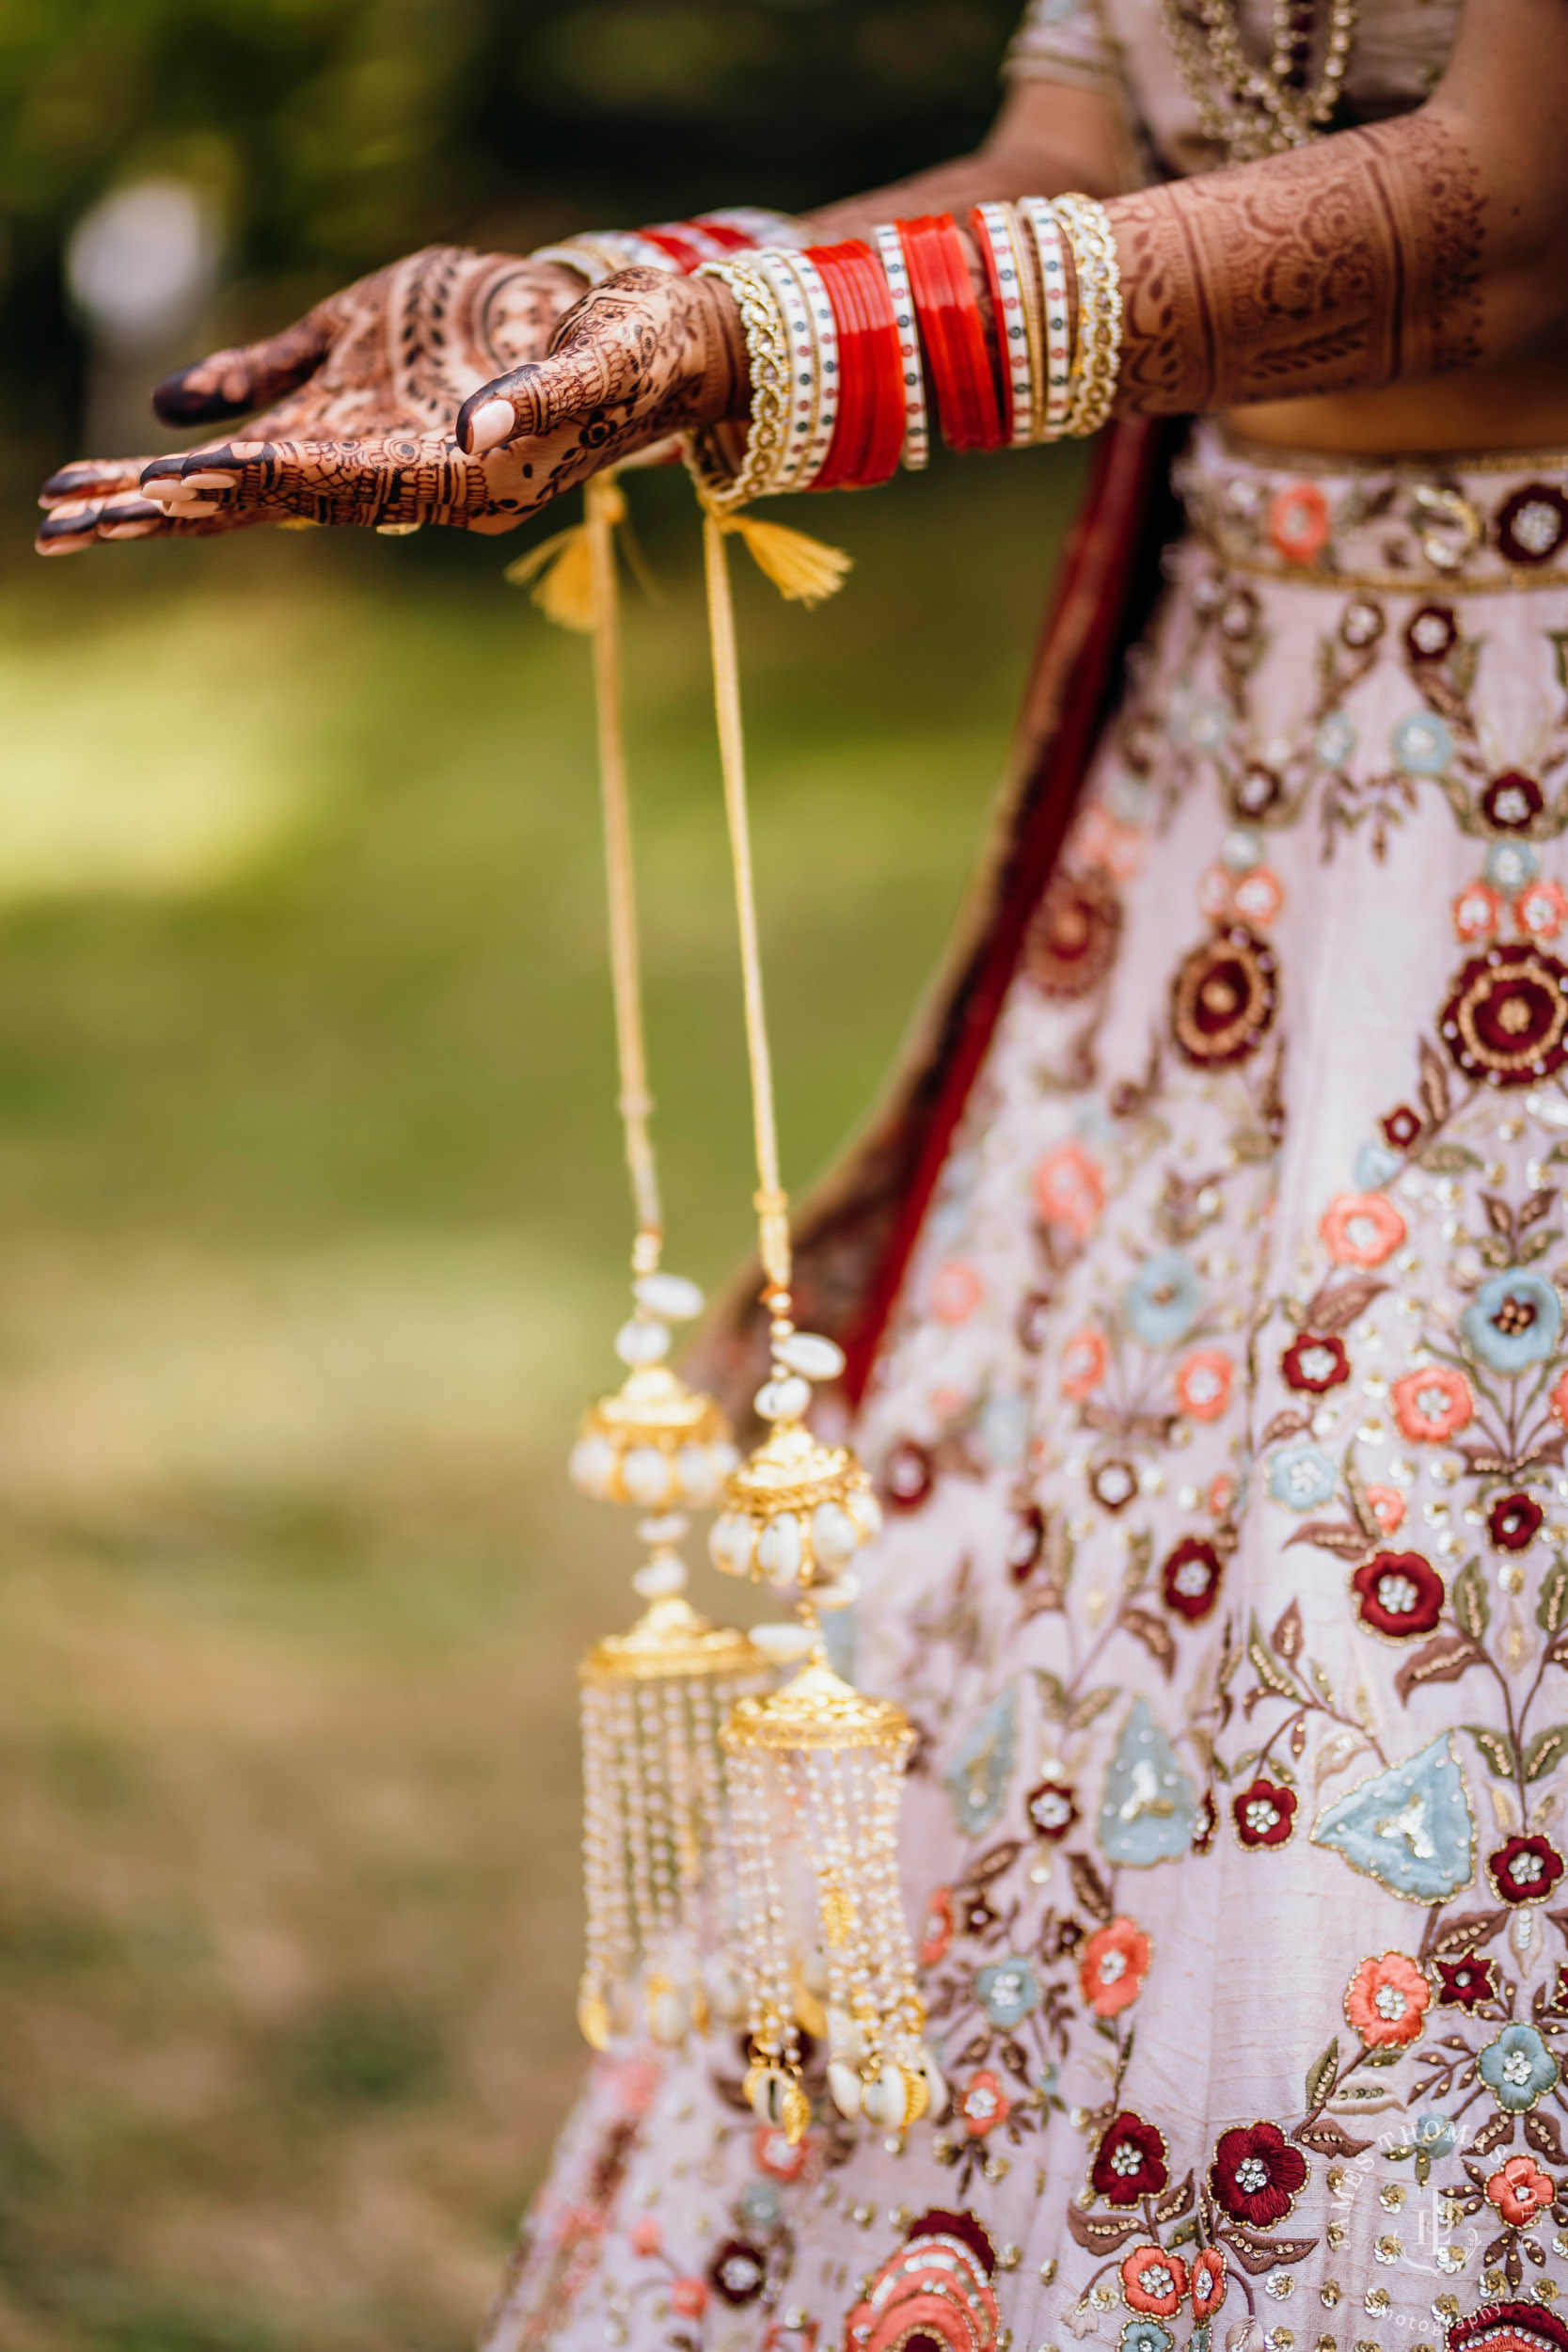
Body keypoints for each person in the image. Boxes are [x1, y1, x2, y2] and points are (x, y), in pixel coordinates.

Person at [36, 7, 1568, 2352]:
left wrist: (759, 339)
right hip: (1207, 830)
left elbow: (1504, 233)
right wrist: (605, 317)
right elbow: (1066, 158)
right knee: (1067, 1709)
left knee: (1408, 1738)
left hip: (1523, 825)